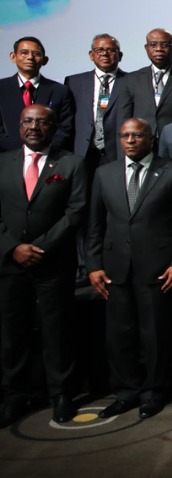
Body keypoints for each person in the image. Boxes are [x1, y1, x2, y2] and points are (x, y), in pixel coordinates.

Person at [86, 117, 172, 420]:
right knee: (119, 335)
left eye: (137, 135)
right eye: (125, 136)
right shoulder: (104, 173)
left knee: (154, 335)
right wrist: (93, 265)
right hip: (115, 269)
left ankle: (154, 392)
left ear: (151, 138)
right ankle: (126, 392)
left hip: (157, 269)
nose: (130, 141)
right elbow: (95, 224)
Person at [0, 105, 86, 427]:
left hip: (54, 263)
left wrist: (41, 248)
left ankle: (61, 394)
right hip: (10, 263)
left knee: (57, 331)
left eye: (42, 122)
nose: (34, 127)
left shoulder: (72, 163)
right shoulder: (2, 162)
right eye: (28, 121)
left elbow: (76, 211)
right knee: (12, 334)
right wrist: (13, 248)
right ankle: (14, 396)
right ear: (19, 125)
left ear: (53, 126)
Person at [111, 28, 172, 136]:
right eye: (153, 45)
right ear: (146, 48)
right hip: (141, 145)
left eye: (164, 45)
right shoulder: (131, 79)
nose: (158, 49)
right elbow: (123, 121)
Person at [1, 36, 75, 152]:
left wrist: (44, 149)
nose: (30, 57)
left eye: (36, 54)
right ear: (13, 57)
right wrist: (22, 152)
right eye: (24, 53)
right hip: (6, 159)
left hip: (48, 157)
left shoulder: (60, 91)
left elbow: (65, 128)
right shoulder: (2, 88)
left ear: (45, 60)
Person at [63, 33, 127, 168]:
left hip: (117, 153)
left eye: (110, 50)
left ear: (119, 56)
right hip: (82, 153)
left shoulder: (131, 81)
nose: (105, 54)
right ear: (91, 55)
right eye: (99, 50)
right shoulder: (73, 82)